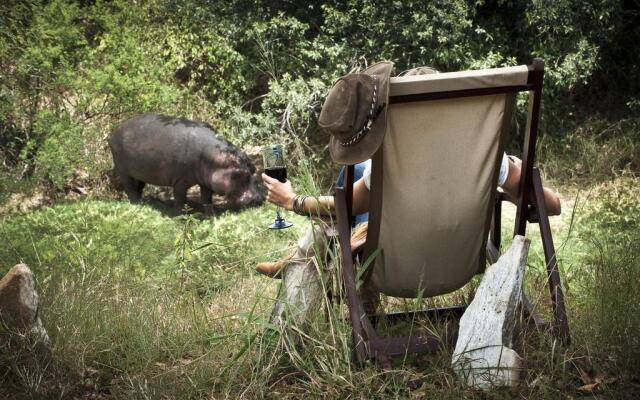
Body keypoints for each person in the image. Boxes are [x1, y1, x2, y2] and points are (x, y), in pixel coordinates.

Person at [256, 62, 562, 281]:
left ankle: (306, 264)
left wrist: (291, 201)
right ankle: (300, 259)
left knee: (356, 172)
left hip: (393, 267)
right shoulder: (488, 159)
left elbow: (342, 208)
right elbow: (552, 206)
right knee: (361, 170)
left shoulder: (390, 164)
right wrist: (513, 182)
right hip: (459, 263)